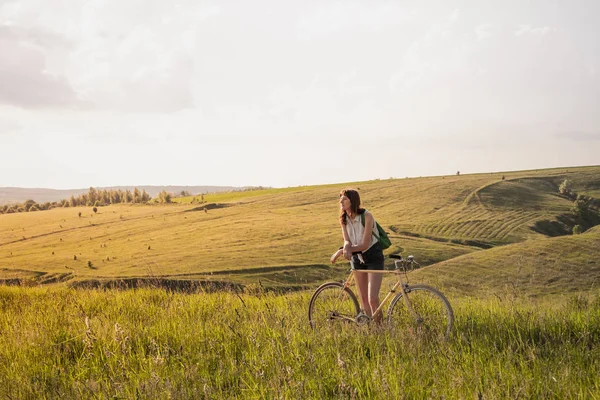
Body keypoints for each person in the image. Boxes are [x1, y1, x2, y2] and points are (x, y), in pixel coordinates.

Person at [330, 188, 385, 323]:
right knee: (364, 300)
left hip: (373, 256)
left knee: (373, 299)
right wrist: (345, 247)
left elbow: (365, 244)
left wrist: (343, 251)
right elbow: (347, 239)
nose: (341, 201)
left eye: (345, 198)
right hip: (357, 258)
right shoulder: (343, 219)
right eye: (341, 198)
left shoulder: (367, 216)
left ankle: (380, 329)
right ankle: (369, 329)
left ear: (353, 201)